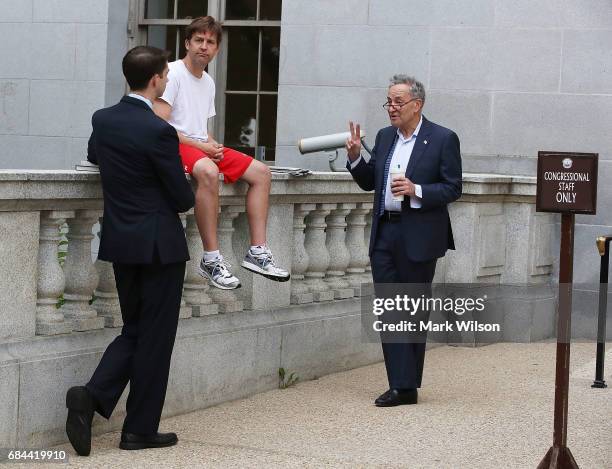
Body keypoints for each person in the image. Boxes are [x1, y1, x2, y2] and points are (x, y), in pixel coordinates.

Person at [65, 46, 195, 455]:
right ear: (157, 79)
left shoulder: (103, 120)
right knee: (155, 338)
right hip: (160, 245)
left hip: (122, 243)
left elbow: (93, 156)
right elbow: (181, 197)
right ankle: (137, 429)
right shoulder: (158, 129)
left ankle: (91, 397)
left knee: (135, 330)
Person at [346, 75, 462, 407]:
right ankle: (401, 384)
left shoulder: (442, 138)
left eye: (398, 102)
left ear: (417, 104)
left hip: (420, 236)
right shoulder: (384, 137)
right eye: (388, 102)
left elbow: (454, 187)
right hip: (385, 232)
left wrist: (416, 190)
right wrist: (355, 158)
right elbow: (370, 182)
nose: (391, 108)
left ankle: (406, 384)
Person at [154, 16, 289, 290]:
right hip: (175, 145)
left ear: (217, 49)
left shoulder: (208, 82)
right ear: (187, 43)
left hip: (197, 144)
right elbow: (159, 126)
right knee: (209, 171)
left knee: (262, 172)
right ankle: (211, 259)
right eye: (199, 40)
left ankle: (258, 252)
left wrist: (212, 145)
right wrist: (202, 147)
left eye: (210, 42)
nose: (204, 46)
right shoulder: (173, 73)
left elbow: (201, 129)